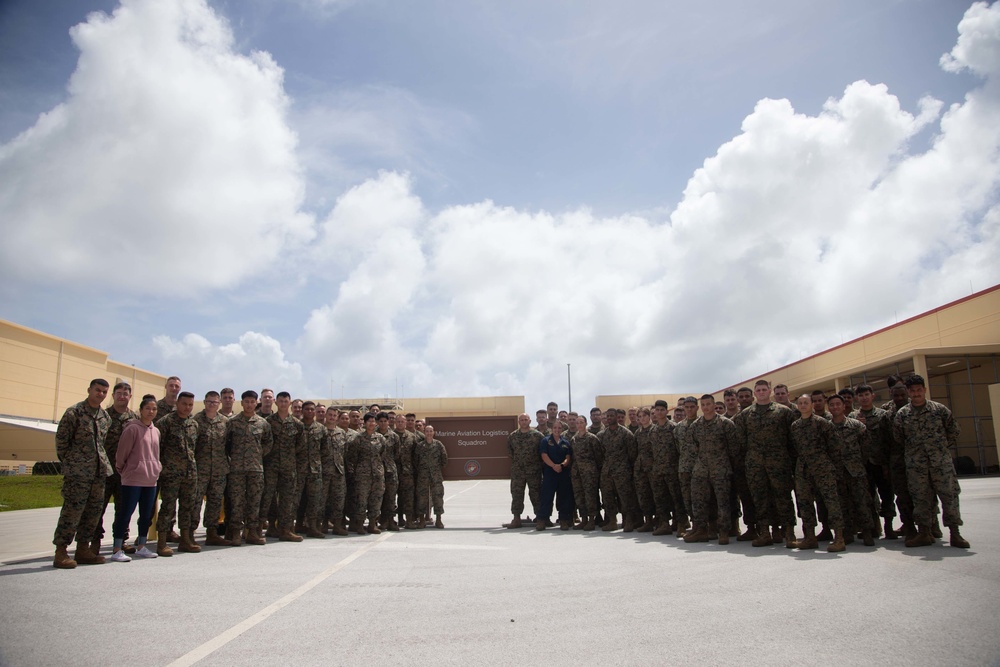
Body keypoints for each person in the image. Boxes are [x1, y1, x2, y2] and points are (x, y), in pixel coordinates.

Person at [893, 375, 969, 548]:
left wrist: (939, 449)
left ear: (924, 390)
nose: (916, 393)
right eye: (912, 391)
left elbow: (953, 431)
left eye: (919, 390)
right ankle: (924, 533)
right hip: (916, 466)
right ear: (908, 392)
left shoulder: (939, 410)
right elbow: (899, 438)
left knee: (949, 497)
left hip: (941, 464)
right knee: (920, 499)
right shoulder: (903, 414)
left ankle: (955, 533)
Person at [52, 379, 114, 569]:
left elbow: (101, 444)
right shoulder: (74, 413)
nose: (101, 394)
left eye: (104, 392)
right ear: (89, 390)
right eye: (98, 390)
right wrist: (72, 464)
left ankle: (83, 549)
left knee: (93, 512)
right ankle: (61, 551)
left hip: (98, 472)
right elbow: (61, 442)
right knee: (72, 511)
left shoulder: (105, 417)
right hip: (78, 474)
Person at [789, 394, 846, 552]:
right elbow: (795, 448)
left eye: (806, 402)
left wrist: (832, 466)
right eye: (800, 403)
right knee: (805, 503)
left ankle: (839, 538)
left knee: (831, 502)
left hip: (822, 467)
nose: (803, 405)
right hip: (803, 469)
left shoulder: (822, 423)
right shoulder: (795, 426)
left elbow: (834, 446)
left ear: (812, 404)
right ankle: (810, 537)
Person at [111, 395, 163, 561]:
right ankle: (117, 548)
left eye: (154, 409)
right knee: (125, 513)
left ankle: (142, 545)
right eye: (147, 408)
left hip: (150, 480)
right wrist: (124, 469)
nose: (150, 412)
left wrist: (156, 468)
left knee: (146, 515)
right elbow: (122, 453)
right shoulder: (132, 429)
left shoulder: (156, 431)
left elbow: (155, 453)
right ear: (140, 410)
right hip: (133, 479)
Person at [685, 395, 738, 544]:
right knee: (698, 500)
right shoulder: (695, 426)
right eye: (703, 404)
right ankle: (701, 529)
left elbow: (733, 448)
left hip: (721, 468)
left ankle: (723, 531)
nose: (706, 407)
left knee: (723, 502)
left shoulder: (725, 424)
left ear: (714, 405)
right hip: (701, 469)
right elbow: (693, 447)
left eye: (709, 404)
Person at [94, 381, 138, 555]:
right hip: (105, 471)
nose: (122, 396)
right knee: (99, 507)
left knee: (123, 508)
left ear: (130, 396)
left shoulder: (134, 419)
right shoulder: (104, 416)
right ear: (113, 395)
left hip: (125, 473)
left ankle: (121, 540)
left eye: (125, 394)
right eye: (119, 393)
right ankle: (95, 541)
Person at [224, 390, 273, 546]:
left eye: (252, 402)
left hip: (256, 469)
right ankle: (235, 533)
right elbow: (226, 444)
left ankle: (252, 532)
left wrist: (257, 455)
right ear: (242, 403)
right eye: (247, 401)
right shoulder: (232, 422)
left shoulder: (262, 423)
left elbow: (268, 443)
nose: (250, 404)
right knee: (237, 502)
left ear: (256, 402)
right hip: (237, 469)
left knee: (254, 501)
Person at [155, 391, 200, 556]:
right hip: (170, 473)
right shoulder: (165, 422)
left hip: (189, 473)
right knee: (168, 507)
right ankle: (161, 542)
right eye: (184, 404)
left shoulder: (193, 424)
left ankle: (185, 540)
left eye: (190, 405)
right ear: (177, 403)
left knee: (187, 507)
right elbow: (157, 447)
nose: (187, 407)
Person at [263, 391, 304, 542]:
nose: (283, 404)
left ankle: (285, 529)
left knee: (288, 499)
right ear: (276, 402)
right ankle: (268, 526)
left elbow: (300, 446)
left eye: (286, 401)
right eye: (280, 401)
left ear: (290, 403)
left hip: (288, 467)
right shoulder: (268, 422)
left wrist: (290, 457)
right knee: (268, 497)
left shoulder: (297, 424)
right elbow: (264, 443)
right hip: (271, 466)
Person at [193, 390, 231, 546]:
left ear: (219, 404)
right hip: (200, 470)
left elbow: (229, 445)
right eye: (209, 401)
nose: (212, 404)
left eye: (215, 402)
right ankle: (189, 533)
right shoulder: (196, 421)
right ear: (204, 402)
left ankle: (212, 533)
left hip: (219, 470)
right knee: (195, 502)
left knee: (215, 502)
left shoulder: (225, 422)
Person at [347, 413, 387, 534]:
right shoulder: (358, 438)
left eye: (373, 421)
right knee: (361, 500)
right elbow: (352, 457)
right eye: (368, 421)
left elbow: (382, 454)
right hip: (362, 475)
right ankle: (359, 524)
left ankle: (372, 524)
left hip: (377, 474)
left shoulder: (380, 438)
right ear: (364, 423)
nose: (371, 423)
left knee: (376, 499)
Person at [506, 413, 544, 528]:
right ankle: (516, 518)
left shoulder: (538, 436)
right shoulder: (512, 436)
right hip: (518, 471)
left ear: (530, 421)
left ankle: (540, 518)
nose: (524, 421)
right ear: (519, 422)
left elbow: (542, 452)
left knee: (536, 494)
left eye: (526, 419)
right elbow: (510, 453)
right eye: (522, 420)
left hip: (534, 471)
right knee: (516, 495)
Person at [537, 420, 574, 530]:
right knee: (546, 497)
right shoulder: (546, 440)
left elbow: (568, 457)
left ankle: (563, 520)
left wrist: (561, 466)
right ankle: (542, 519)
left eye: (559, 428)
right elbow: (544, 455)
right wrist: (553, 466)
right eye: (555, 428)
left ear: (562, 430)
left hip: (562, 473)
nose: (557, 430)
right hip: (550, 473)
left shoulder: (566, 442)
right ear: (552, 429)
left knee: (563, 497)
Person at [570, 415, 603, 531]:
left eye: (581, 422)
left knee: (590, 496)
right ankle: (583, 519)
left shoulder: (592, 438)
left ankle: (592, 520)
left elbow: (598, 457)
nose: (579, 424)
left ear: (585, 423)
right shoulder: (574, 439)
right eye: (577, 422)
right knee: (579, 496)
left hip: (589, 472)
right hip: (577, 472)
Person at [415, 424, 448, 528]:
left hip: (436, 476)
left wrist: (436, 469)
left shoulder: (438, 445)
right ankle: (421, 520)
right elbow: (415, 461)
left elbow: (444, 459)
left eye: (431, 431)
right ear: (424, 433)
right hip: (423, 476)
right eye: (427, 431)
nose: (429, 433)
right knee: (421, 498)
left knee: (438, 497)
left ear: (434, 432)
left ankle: (438, 520)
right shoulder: (420, 446)